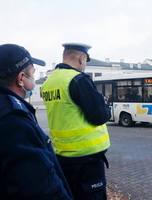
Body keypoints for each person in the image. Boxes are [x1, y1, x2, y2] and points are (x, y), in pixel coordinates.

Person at [0, 44, 73, 200]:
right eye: (32, 73)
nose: (34, 78)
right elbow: (40, 189)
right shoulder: (13, 119)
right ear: (21, 78)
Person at [41, 43, 111, 200]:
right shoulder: (78, 80)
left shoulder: (48, 83)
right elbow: (100, 116)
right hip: (87, 158)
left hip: (63, 156)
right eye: (85, 61)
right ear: (81, 58)